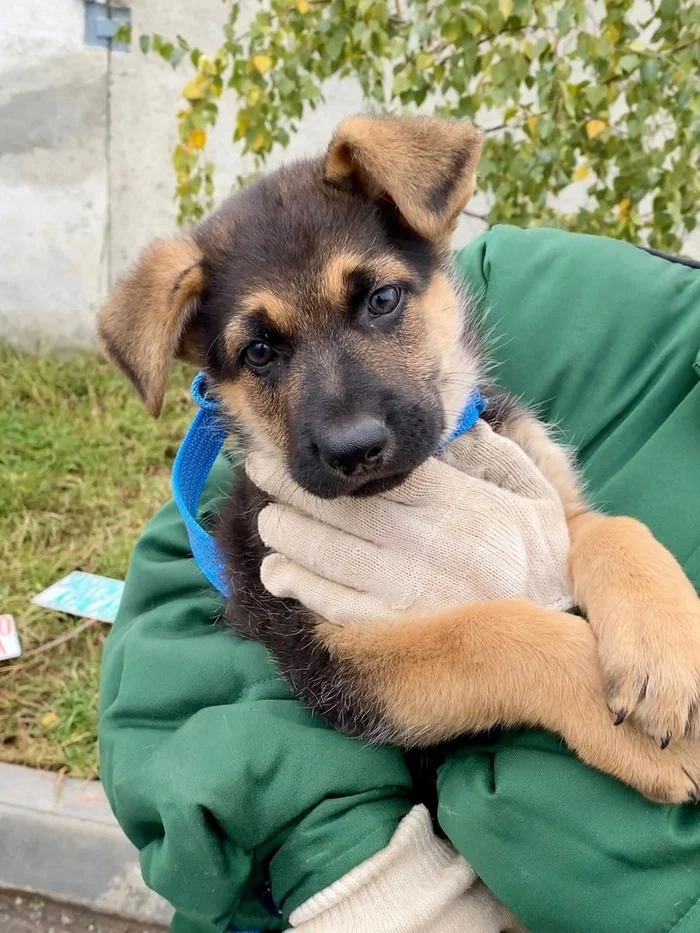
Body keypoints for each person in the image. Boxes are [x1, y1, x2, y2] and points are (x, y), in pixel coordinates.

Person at [99, 225, 700, 933]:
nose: (351, 424)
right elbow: (341, 675)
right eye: (262, 352)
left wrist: (614, 559)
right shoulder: (557, 284)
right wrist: (379, 891)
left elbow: (575, 528)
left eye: (379, 303)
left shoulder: (495, 429)